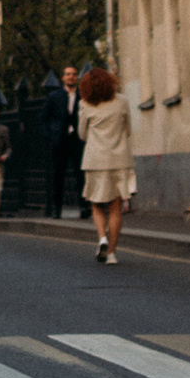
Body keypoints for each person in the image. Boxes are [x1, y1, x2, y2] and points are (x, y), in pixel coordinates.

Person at [75, 66, 134, 264]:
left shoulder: (85, 105)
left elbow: (82, 134)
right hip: (119, 160)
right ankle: (112, 254)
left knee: (96, 203)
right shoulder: (122, 101)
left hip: (95, 160)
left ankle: (101, 238)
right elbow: (128, 130)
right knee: (115, 207)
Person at [42, 65, 84, 218]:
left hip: (77, 139)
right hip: (60, 140)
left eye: (73, 74)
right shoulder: (55, 96)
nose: (71, 77)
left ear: (77, 77)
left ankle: (84, 206)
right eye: (68, 74)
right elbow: (44, 118)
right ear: (63, 78)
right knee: (58, 175)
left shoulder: (82, 95)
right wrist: (51, 136)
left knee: (81, 174)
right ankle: (57, 208)